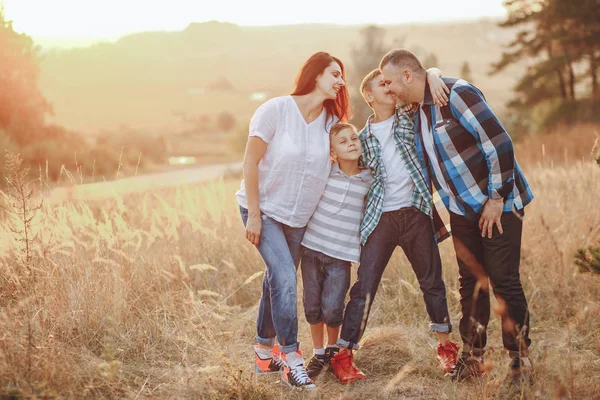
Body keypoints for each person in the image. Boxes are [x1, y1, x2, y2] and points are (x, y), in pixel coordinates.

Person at [379, 49, 534, 386]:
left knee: (503, 282)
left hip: (498, 204)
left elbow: (499, 143)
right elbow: (386, 101)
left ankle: (521, 363)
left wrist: (497, 197)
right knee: (471, 284)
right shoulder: (416, 109)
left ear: (408, 75)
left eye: (391, 81)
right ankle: (473, 358)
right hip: (462, 210)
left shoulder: (456, 94)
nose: (388, 88)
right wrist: (430, 73)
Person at [330, 67, 458, 384]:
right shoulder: (362, 139)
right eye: (382, 83)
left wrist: (433, 73)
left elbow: (425, 75)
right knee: (364, 288)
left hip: (415, 213)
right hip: (380, 220)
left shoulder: (409, 116)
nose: (389, 86)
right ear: (369, 96)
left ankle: (446, 348)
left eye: (391, 82)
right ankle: (344, 354)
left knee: (432, 281)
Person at [236, 51, 350, 390]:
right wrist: (254, 215)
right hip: (265, 210)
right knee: (285, 277)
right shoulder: (275, 110)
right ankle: (291, 358)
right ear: (316, 75)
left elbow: (349, 152)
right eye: (334, 73)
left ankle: (262, 350)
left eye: (342, 75)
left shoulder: (330, 123)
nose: (341, 80)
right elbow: (250, 163)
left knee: (276, 277)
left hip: (299, 218)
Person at [300, 122, 373, 381]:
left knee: (332, 308)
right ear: (332, 151)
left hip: (341, 255)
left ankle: (333, 352)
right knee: (312, 306)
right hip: (312, 249)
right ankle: (318, 353)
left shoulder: (369, 177)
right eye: (343, 141)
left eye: (354, 138)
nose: (352, 143)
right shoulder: (326, 172)